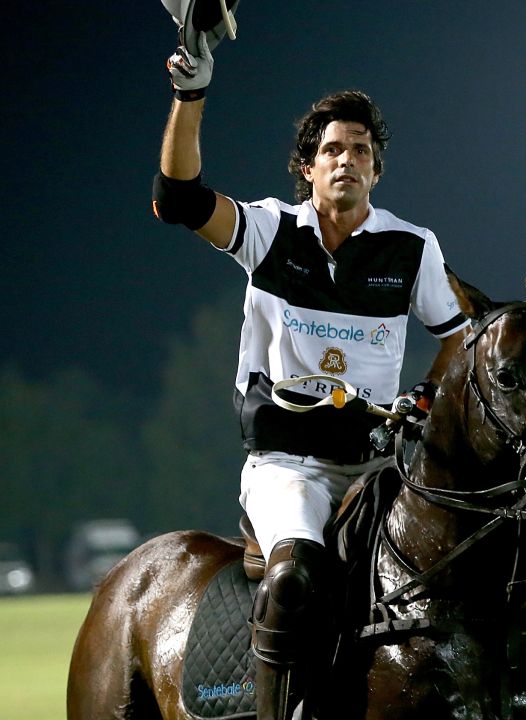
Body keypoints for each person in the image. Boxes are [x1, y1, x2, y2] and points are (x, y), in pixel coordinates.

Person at [153, 31, 467, 720]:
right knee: (294, 577)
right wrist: (190, 93)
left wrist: (422, 395)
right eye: (332, 150)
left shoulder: (412, 248)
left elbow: (456, 336)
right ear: (307, 168)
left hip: (377, 468)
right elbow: (178, 198)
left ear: (376, 171)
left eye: (360, 150)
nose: (346, 161)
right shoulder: (269, 232)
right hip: (288, 467)